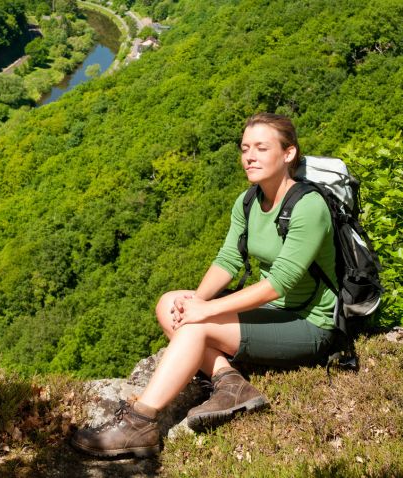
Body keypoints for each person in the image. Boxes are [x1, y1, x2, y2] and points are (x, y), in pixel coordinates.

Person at [70, 113, 338, 458]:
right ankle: (230, 382)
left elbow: (279, 283)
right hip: (274, 312)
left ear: (288, 154)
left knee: (196, 326)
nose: (249, 157)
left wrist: (205, 311)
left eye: (261, 148)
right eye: (244, 148)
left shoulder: (308, 206)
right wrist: (194, 300)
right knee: (170, 304)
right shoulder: (249, 201)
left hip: (311, 324)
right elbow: (229, 259)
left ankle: (140, 423)